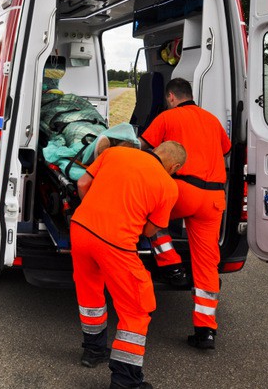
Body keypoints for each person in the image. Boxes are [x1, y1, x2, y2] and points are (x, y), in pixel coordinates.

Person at [71, 141, 186, 389]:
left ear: (156, 151)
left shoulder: (115, 152)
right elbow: (151, 229)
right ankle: (125, 380)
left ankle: (93, 352)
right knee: (137, 308)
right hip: (115, 243)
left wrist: (94, 210)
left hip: (80, 229)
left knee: (90, 293)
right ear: (174, 166)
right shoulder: (168, 185)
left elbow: (82, 183)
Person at [139, 78, 232, 350]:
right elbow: (226, 150)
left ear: (170, 96)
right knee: (207, 264)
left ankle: (172, 266)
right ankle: (206, 332)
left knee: (151, 215)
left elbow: (144, 148)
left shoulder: (168, 117)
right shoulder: (212, 120)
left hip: (183, 190)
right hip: (214, 198)